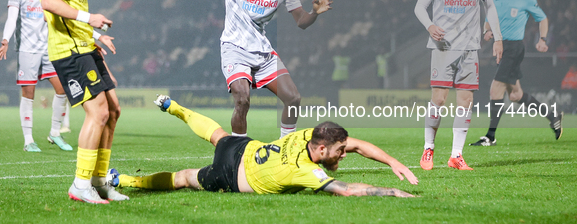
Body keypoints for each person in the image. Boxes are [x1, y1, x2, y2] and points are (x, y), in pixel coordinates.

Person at [148, 0, 332, 138]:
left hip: (262, 51)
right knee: (243, 99)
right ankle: (237, 151)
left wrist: (315, 13)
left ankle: (285, 148)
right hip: (235, 49)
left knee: (293, 99)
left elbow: (301, 21)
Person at [109, 94, 418, 197]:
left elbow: (358, 145)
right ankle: (122, 180)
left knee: (216, 134)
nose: (344, 154)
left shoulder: (311, 134)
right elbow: (349, 190)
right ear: (322, 150)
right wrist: (392, 191)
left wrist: (393, 161)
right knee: (184, 178)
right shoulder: (308, 173)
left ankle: (174, 107)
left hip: (243, 148)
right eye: (340, 152)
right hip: (230, 176)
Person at [37, 0, 127, 204]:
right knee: (98, 112)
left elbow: (67, 10)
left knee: (113, 110)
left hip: (84, 45)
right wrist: (91, 19)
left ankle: (100, 182)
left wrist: (96, 36)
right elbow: (49, 1)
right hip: (69, 52)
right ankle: (80, 184)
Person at [414, 0, 503, 171]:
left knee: (466, 101)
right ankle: (428, 148)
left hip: (470, 48)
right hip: (444, 47)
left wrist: (498, 37)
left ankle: (456, 156)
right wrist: (430, 26)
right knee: (439, 99)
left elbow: (490, 7)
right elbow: (419, 7)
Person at [470, 0, 563, 146]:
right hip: (501, 47)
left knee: (495, 89)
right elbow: (489, 18)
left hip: (513, 48)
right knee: (516, 95)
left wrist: (542, 39)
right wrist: (486, 31)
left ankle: (490, 136)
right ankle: (553, 116)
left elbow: (543, 18)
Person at [0, 0, 72, 152]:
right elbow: (12, 19)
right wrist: (5, 40)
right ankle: (28, 140)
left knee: (62, 89)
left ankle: (55, 133)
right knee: (29, 94)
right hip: (27, 50)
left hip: (49, 49)